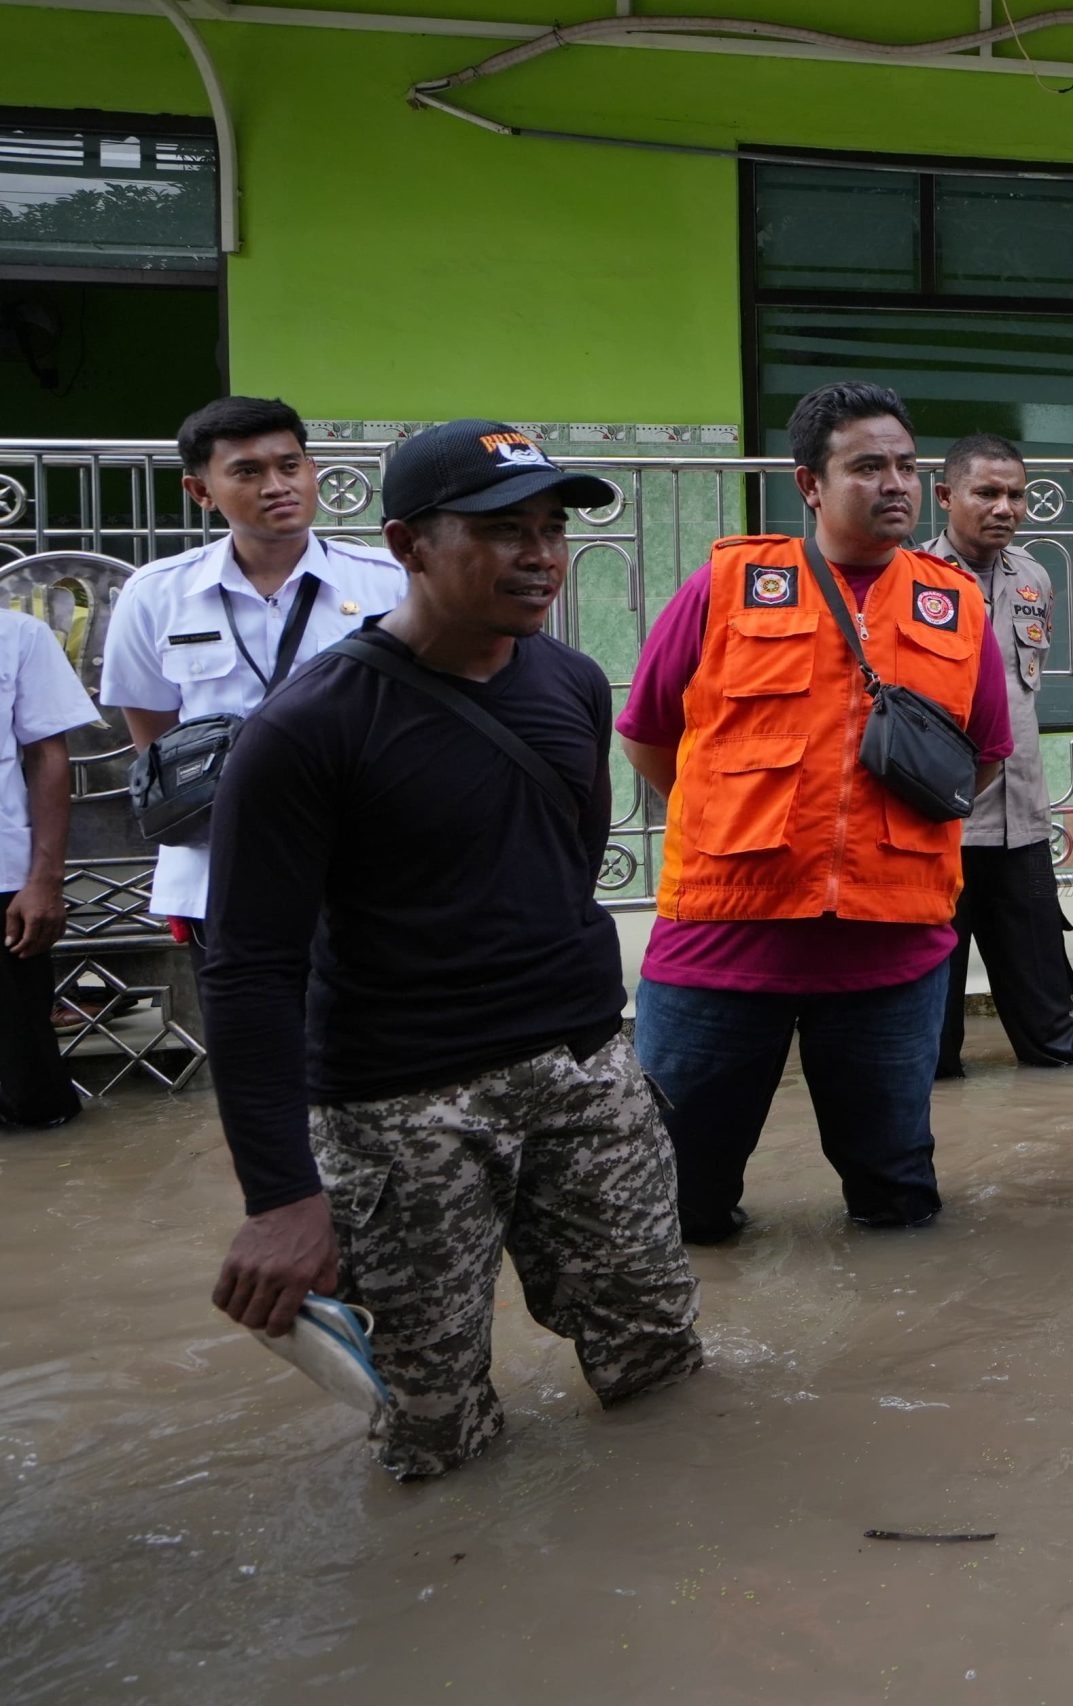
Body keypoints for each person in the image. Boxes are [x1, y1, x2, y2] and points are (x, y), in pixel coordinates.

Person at [202, 418, 701, 1480]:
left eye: (550, 529)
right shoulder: (307, 728)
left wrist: (603, 1064)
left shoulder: (570, 684)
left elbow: (564, 870)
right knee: (434, 1430)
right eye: (501, 530)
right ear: (407, 544)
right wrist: (281, 1195)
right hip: (401, 1110)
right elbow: (249, 971)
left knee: (660, 1365)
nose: (539, 556)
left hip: (581, 1079)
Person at [620, 382, 1010, 1245]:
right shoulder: (727, 585)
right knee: (677, 1210)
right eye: (868, 466)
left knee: (897, 1204)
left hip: (891, 951)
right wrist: (730, 824)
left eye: (907, 466)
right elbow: (651, 733)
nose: (896, 484)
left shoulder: (957, 605)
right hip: (720, 946)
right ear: (809, 483)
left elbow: (983, 756)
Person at [100, 396, 406, 954]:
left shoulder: (389, 585)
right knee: (249, 1036)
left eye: (289, 465)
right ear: (202, 492)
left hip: (365, 872)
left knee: (366, 1038)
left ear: (312, 472)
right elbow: (156, 741)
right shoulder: (157, 595)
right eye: (247, 471)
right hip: (220, 874)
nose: (276, 485)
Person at [924, 433, 1073, 1078]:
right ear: (945, 497)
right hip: (938, 826)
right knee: (932, 1033)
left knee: (1051, 1026)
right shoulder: (910, 583)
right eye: (986, 493)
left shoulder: (1035, 579)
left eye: (1016, 495)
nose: (1005, 508)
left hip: (1020, 822)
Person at [0, 607, 102, 1129]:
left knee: (25, 1085)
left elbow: (47, 756)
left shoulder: (17, 636)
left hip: (3, 881)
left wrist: (44, 880)